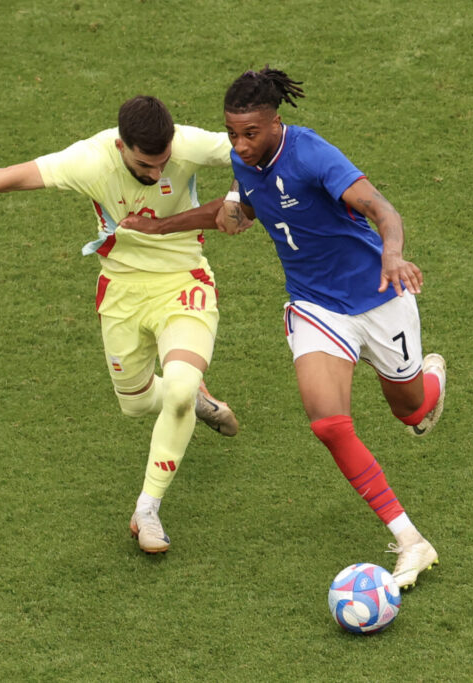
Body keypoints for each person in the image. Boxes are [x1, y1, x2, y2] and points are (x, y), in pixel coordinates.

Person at [122, 69, 445, 589]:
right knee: (327, 423)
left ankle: (430, 382)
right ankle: (411, 540)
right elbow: (237, 211)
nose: (239, 145)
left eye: (250, 134)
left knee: (411, 411)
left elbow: (380, 208)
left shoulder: (313, 155)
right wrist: (158, 225)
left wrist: (393, 253)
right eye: (231, 134)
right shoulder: (243, 163)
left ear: (276, 123)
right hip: (316, 307)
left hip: (377, 294)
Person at [0, 95, 239, 555]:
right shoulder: (88, 161)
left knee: (181, 388)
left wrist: (233, 196)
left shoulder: (186, 145)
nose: (157, 172)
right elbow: (12, 176)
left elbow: (252, 153)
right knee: (137, 402)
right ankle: (192, 401)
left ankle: (148, 508)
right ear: (122, 145)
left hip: (183, 281)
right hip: (123, 291)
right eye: (147, 165)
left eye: (164, 161)